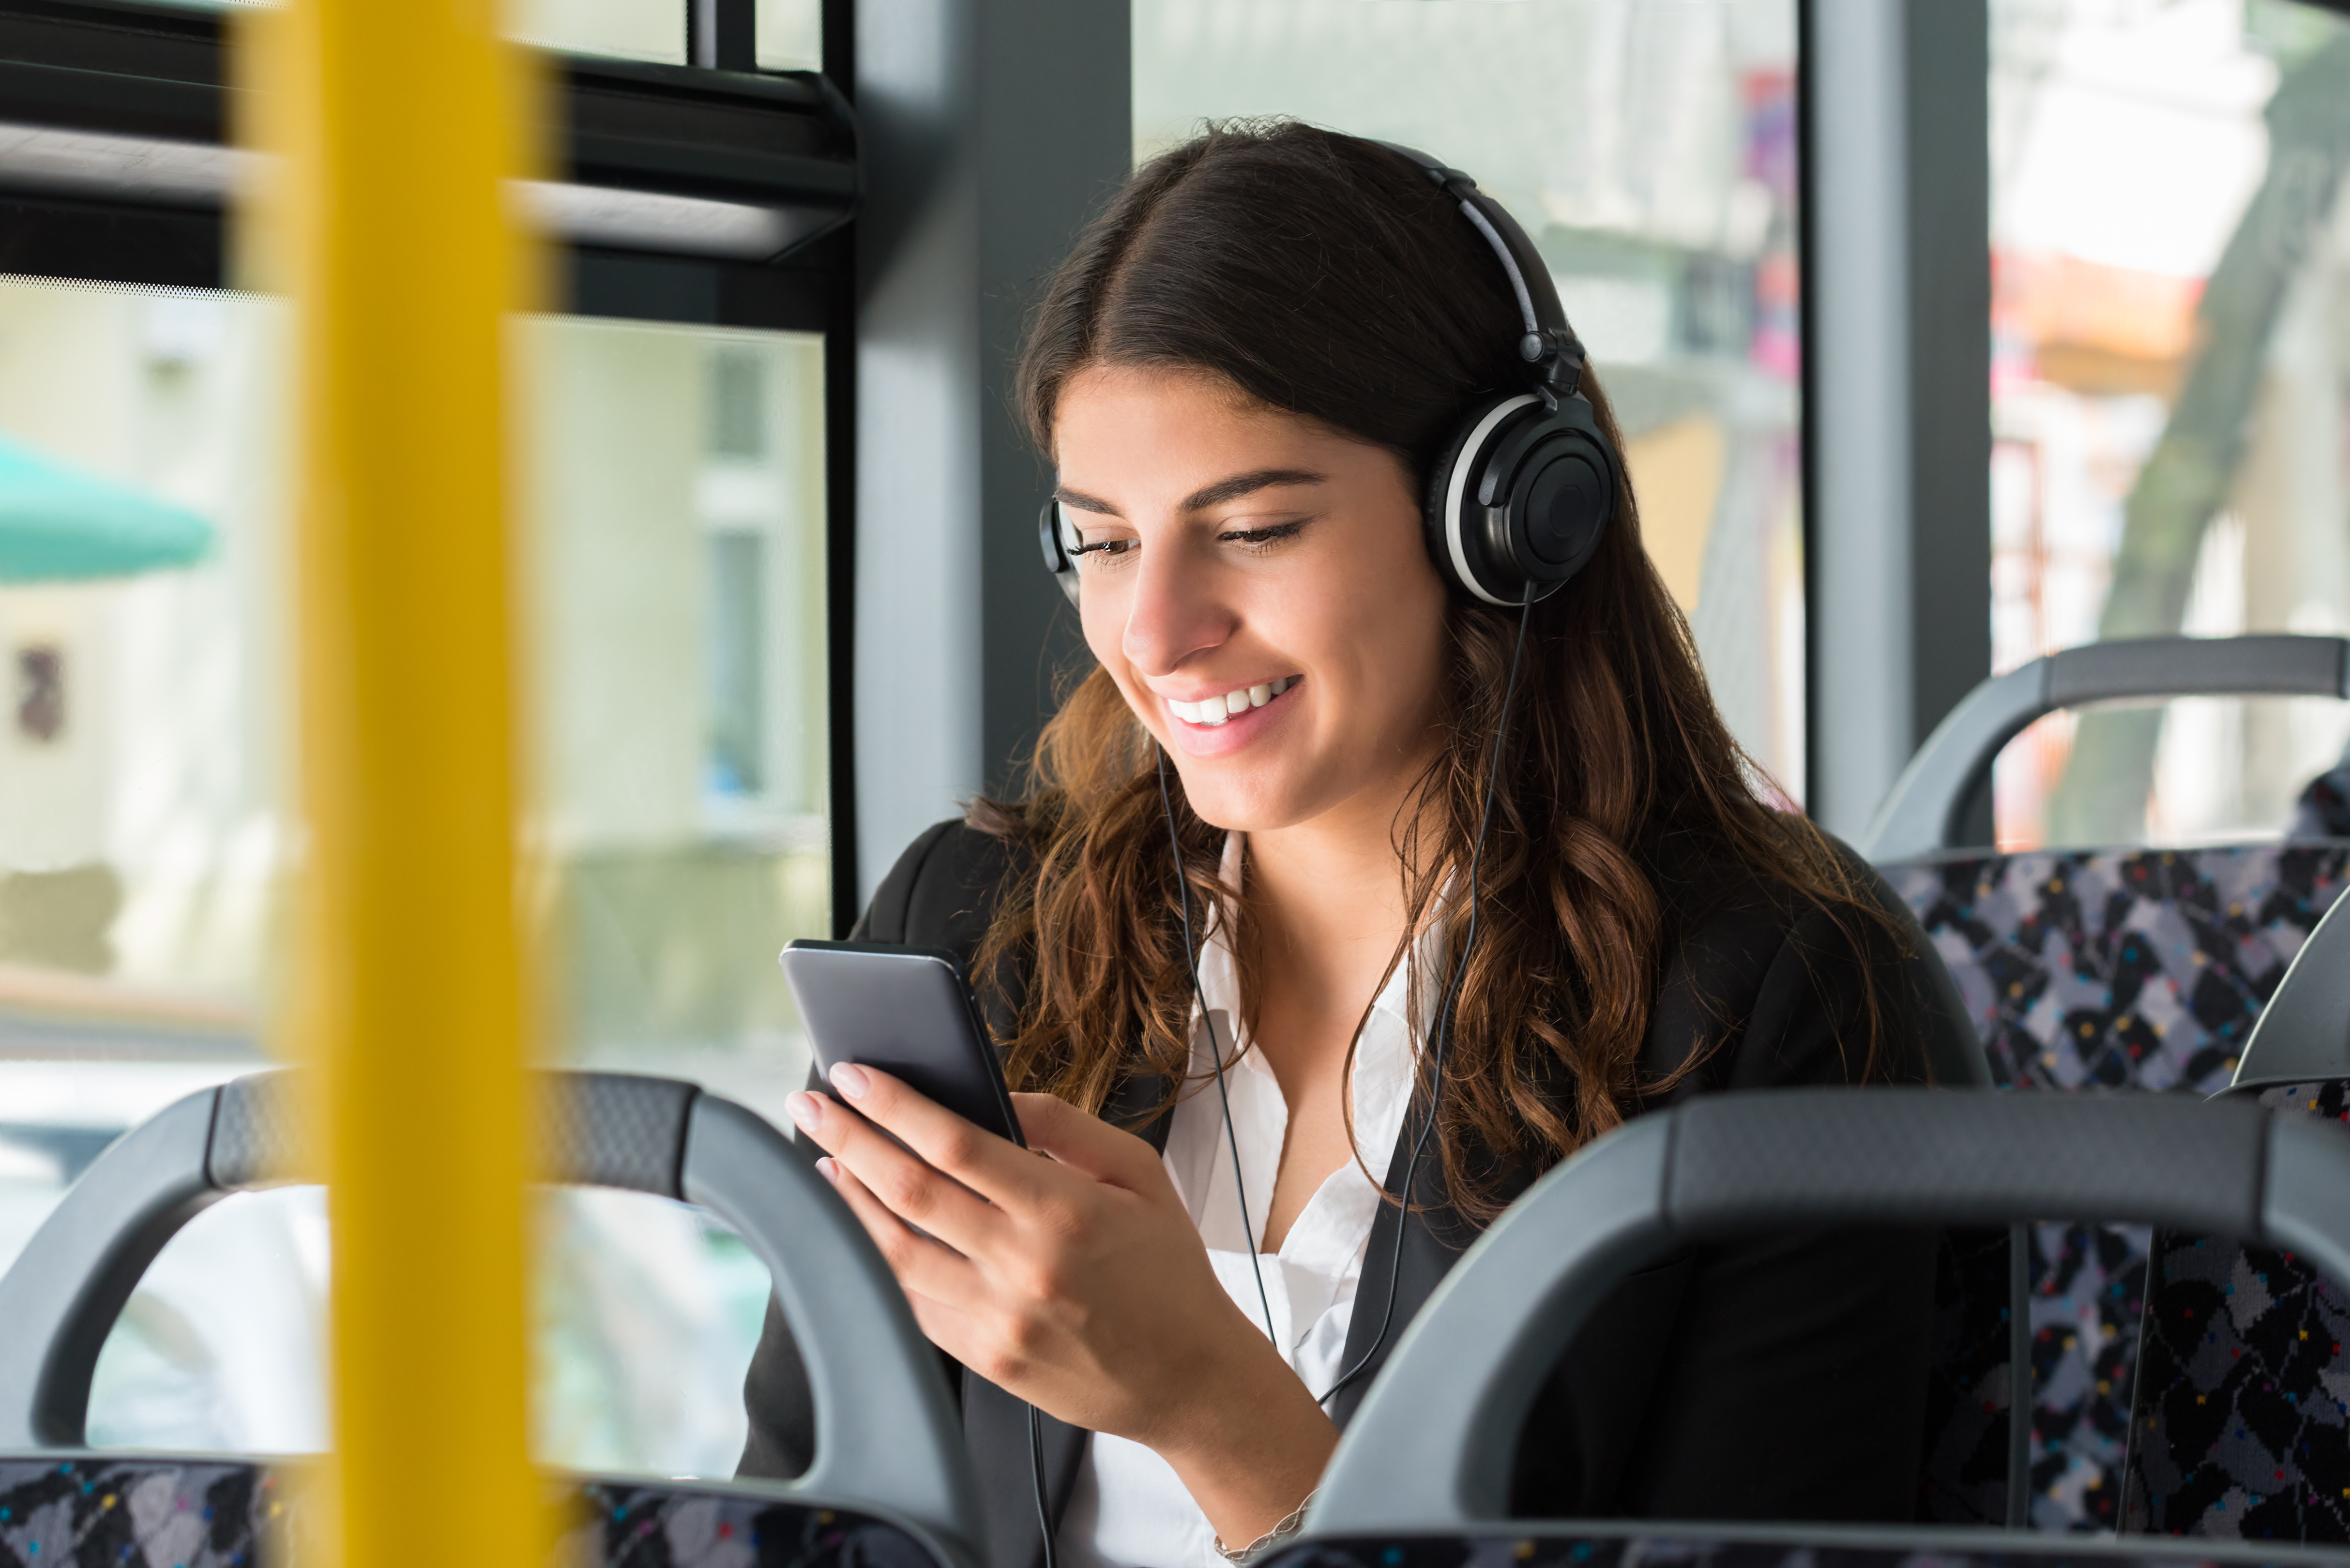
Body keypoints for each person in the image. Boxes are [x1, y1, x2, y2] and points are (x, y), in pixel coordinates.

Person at [740, 121, 1973, 1568]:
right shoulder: (972, 927)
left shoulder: (1783, 1006)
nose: (1154, 634)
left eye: (1252, 528)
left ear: (1506, 518)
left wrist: (1215, 1412)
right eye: (1106, 541)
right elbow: (793, 1515)